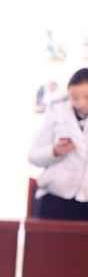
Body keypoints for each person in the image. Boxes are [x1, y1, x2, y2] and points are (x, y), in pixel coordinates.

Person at [29, 68, 88, 220]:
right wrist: (54, 151)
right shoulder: (56, 111)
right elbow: (34, 157)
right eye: (74, 97)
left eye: (87, 97)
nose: (81, 103)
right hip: (56, 199)